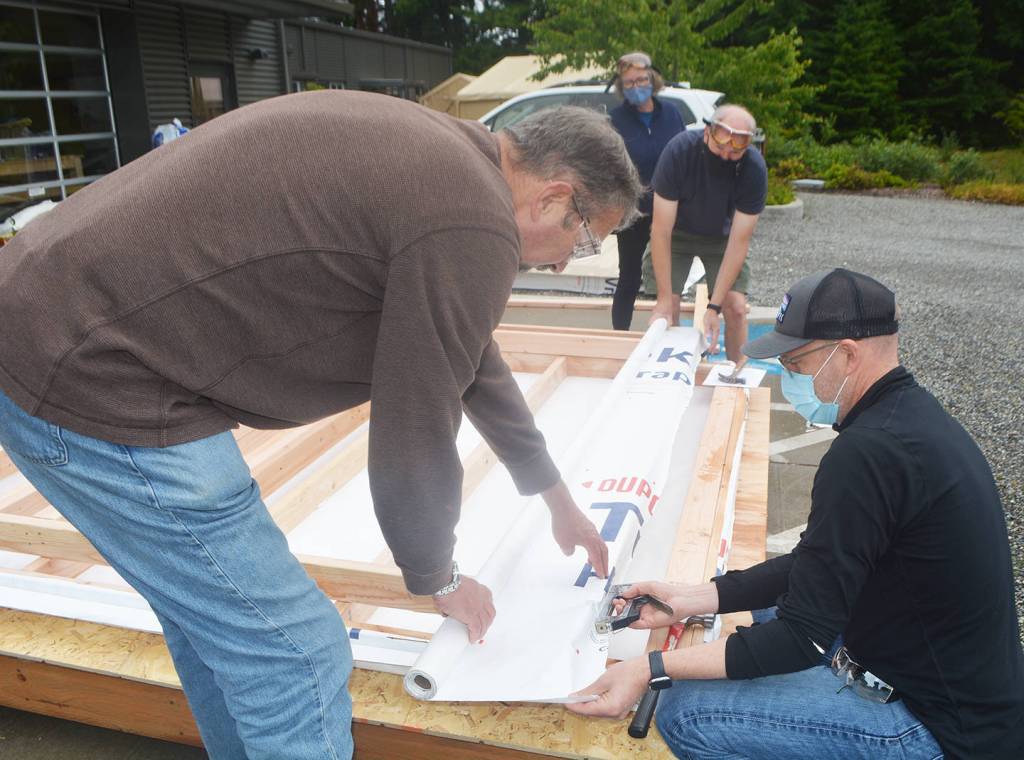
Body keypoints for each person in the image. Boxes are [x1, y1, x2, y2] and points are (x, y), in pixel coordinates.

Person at [0, 91, 640, 759]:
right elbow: (417, 421)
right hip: (94, 374)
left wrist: (556, 500)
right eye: (586, 237)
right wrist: (437, 574)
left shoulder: (449, 160)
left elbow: (472, 359)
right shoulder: (472, 221)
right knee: (294, 652)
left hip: (46, 320)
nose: (569, 261)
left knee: (227, 629)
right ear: (553, 197)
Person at [568, 269, 1024, 760]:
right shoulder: (908, 419)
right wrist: (689, 598)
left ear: (848, 354)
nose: (788, 377)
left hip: (940, 728)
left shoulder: (867, 454)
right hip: (952, 681)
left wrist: (650, 668)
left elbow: (800, 640)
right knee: (771, 611)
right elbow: (816, 561)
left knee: (690, 712)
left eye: (796, 362)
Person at [644, 104, 766, 361]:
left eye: (734, 152)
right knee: (669, 309)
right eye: (720, 147)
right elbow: (661, 230)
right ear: (707, 132)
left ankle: (735, 377)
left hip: (722, 238)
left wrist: (714, 307)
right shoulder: (679, 151)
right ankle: (670, 375)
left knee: (736, 308)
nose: (725, 156)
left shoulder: (753, 168)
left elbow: (738, 242)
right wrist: (665, 298)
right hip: (675, 234)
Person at [608, 51, 684, 330]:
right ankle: (619, 337)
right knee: (629, 277)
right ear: (621, 86)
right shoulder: (615, 120)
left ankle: (672, 334)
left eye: (641, 80)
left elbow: (683, 157)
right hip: (634, 210)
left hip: (670, 207)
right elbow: (611, 167)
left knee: (672, 277)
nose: (636, 86)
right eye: (629, 83)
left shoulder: (672, 114)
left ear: (652, 78)